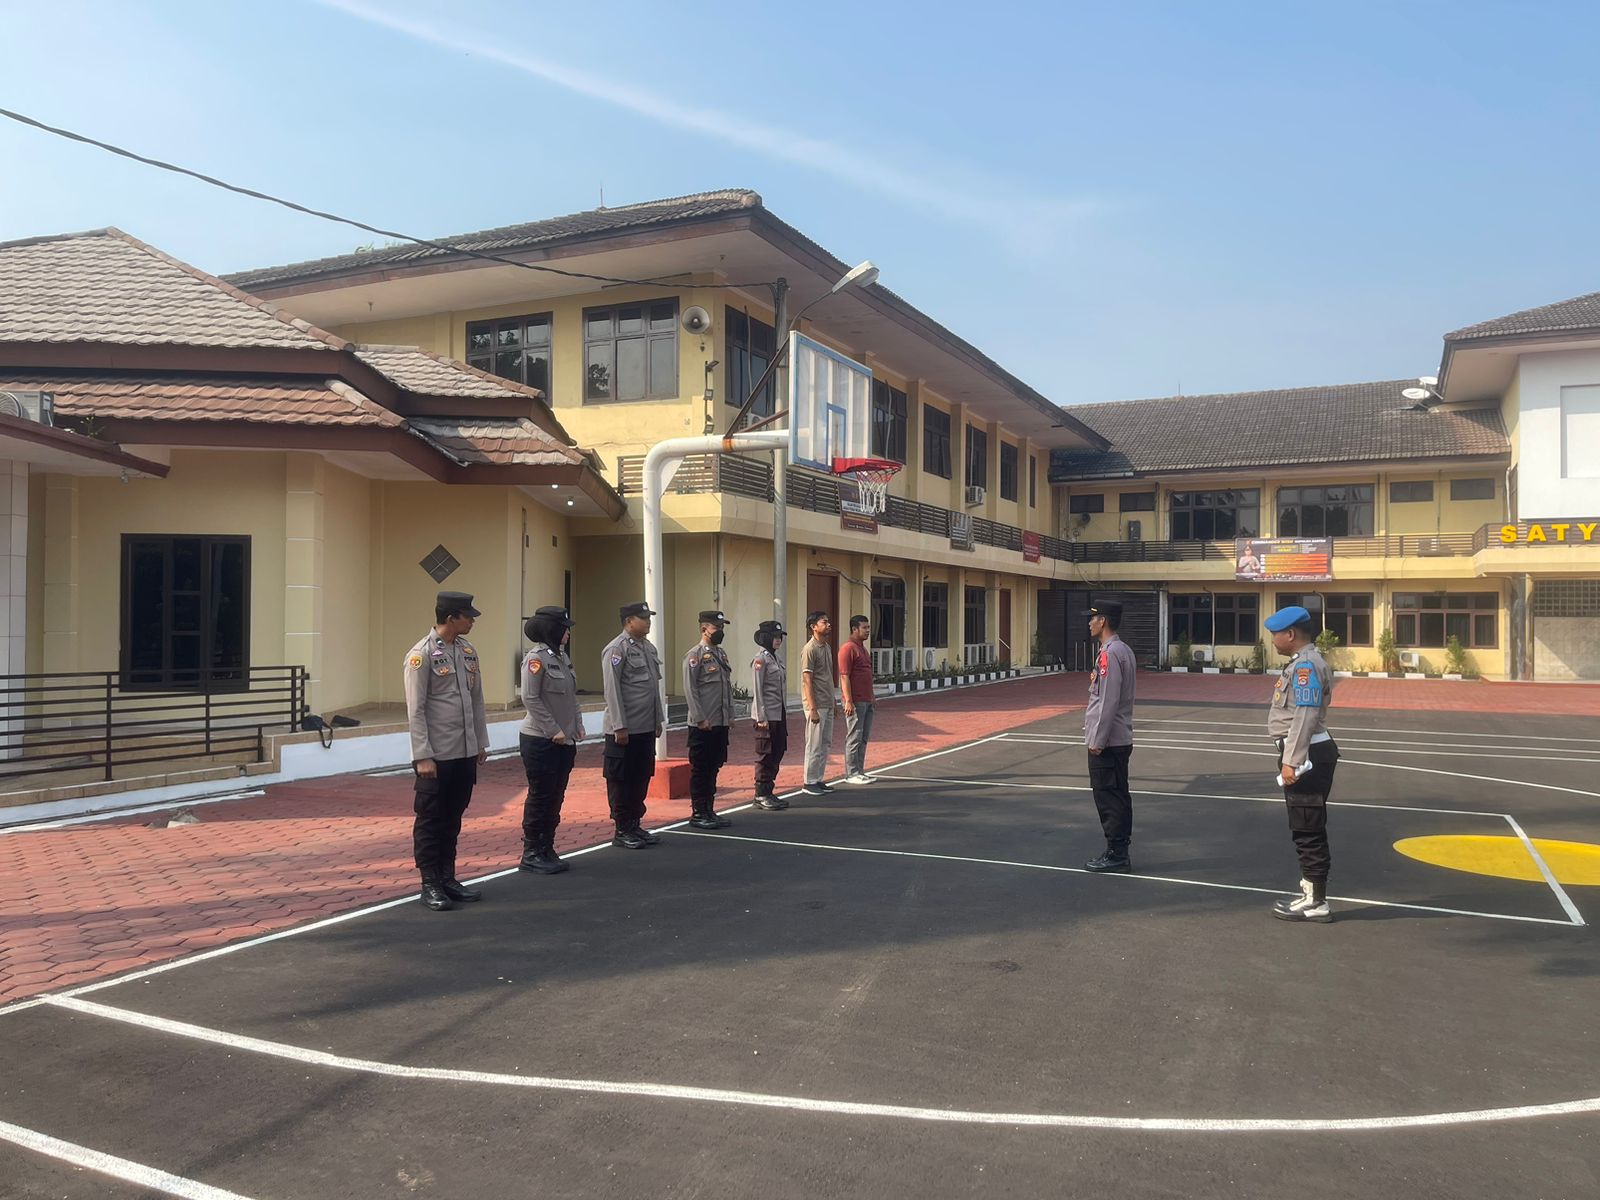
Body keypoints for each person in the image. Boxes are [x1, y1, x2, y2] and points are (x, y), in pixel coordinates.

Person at [403, 590, 490, 911]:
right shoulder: (421, 655)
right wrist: (422, 754)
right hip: (437, 755)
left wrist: (479, 741)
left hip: (464, 751)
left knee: (453, 816)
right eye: (468, 616)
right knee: (431, 819)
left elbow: (477, 700)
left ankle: (447, 877)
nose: (472, 622)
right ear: (451, 618)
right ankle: (429, 883)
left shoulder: (467, 651)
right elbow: (416, 709)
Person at [1264, 604, 1339, 923]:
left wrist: (1291, 761)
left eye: (1275, 635)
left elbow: (1305, 716)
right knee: (1306, 827)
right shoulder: (1304, 662)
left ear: (1291, 634)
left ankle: (1316, 901)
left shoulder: (1305, 666)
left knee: (1308, 828)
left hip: (1307, 755)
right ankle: (1311, 894)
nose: (1273, 640)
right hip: (1309, 751)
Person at [518, 605, 581, 874]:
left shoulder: (562, 658)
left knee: (556, 795)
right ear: (551, 629)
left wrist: (577, 725)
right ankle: (532, 851)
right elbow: (530, 698)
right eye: (564, 628)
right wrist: (553, 729)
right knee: (541, 796)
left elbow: (571, 696)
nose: (568, 633)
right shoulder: (536, 659)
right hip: (541, 740)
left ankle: (547, 846)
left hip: (564, 740)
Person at [600, 601, 666, 849]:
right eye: (643, 618)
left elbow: (653, 689)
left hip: (645, 726)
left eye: (648, 617)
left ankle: (635, 824)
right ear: (629, 621)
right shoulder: (616, 649)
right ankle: (622, 828)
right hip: (625, 729)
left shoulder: (648, 648)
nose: (648, 622)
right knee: (621, 780)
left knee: (641, 777)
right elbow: (612, 690)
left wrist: (658, 719)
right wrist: (619, 725)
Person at [1082, 602, 1138, 873]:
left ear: (1102, 621)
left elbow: (1107, 701)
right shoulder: (1122, 650)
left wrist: (1097, 740)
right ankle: (1118, 849)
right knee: (1118, 796)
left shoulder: (1109, 654)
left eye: (1092, 619)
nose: (1089, 623)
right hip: (1118, 738)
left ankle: (1117, 854)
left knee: (1109, 798)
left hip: (1109, 741)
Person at [683, 609, 736, 830]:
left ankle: (709, 809)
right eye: (717, 627)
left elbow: (726, 688)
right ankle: (698, 812)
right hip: (703, 725)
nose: (720, 631)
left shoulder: (721, 654)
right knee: (701, 769)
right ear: (704, 629)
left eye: (722, 627)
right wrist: (700, 718)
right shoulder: (694, 656)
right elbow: (690, 690)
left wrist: (730, 715)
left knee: (714, 767)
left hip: (719, 721)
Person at [751, 620, 790, 810]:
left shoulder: (775, 659)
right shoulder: (761, 660)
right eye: (775, 637)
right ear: (765, 638)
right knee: (765, 754)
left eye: (780, 636)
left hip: (778, 712)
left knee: (778, 750)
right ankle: (761, 793)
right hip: (767, 714)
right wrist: (761, 717)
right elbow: (758, 690)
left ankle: (769, 790)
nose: (778, 640)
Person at [800, 610, 837, 796]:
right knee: (814, 744)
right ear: (813, 627)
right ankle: (809, 781)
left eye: (828, 621)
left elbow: (828, 677)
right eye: (824, 622)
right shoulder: (810, 649)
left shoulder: (827, 647)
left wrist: (833, 701)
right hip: (816, 704)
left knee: (825, 743)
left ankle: (818, 778)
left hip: (827, 702)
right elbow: (807, 680)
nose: (828, 625)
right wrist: (812, 708)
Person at [837, 614, 877, 785]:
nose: (868, 631)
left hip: (867, 701)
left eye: (868, 627)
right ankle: (851, 773)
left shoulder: (863, 649)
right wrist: (848, 700)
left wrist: (872, 696)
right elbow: (844, 676)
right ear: (854, 629)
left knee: (863, 738)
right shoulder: (848, 649)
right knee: (855, 737)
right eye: (864, 628)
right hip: (855, 702)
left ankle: (860, 771)